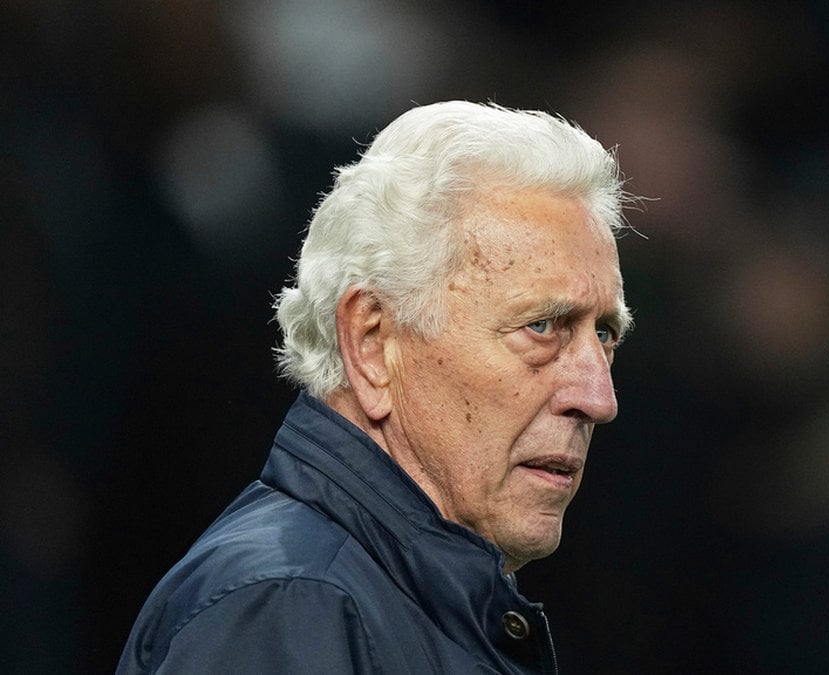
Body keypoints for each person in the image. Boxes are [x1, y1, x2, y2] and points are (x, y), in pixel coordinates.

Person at [117, 101, 634, 673]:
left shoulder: (366, 603)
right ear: (372, 344)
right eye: (541, 326)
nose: (598, 398)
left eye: (604, 333)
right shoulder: (291, 606)